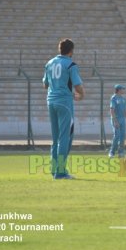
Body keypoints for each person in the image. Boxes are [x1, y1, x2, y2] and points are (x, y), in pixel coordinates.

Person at [42, 39, 84, 179]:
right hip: (64, 104)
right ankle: (60, 172)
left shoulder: (49, 63)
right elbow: (77, 85)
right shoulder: (71, 64)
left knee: (55, 138)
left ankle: (54, 170)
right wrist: (81, 94)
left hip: (51, 102)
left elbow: (45, 85)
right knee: (65, 137)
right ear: (71, 51)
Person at [108, 84, 126, 158]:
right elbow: (112, 110)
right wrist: (115, 121)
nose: (124, 90)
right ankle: (112, 152)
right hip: (116, 118)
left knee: (122, 136)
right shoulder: (114, 98)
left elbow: (125, 110)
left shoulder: (123, 99)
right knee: (117, 136)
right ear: (119, 90)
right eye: (123, 89)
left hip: (122, 119)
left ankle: (121, 152)